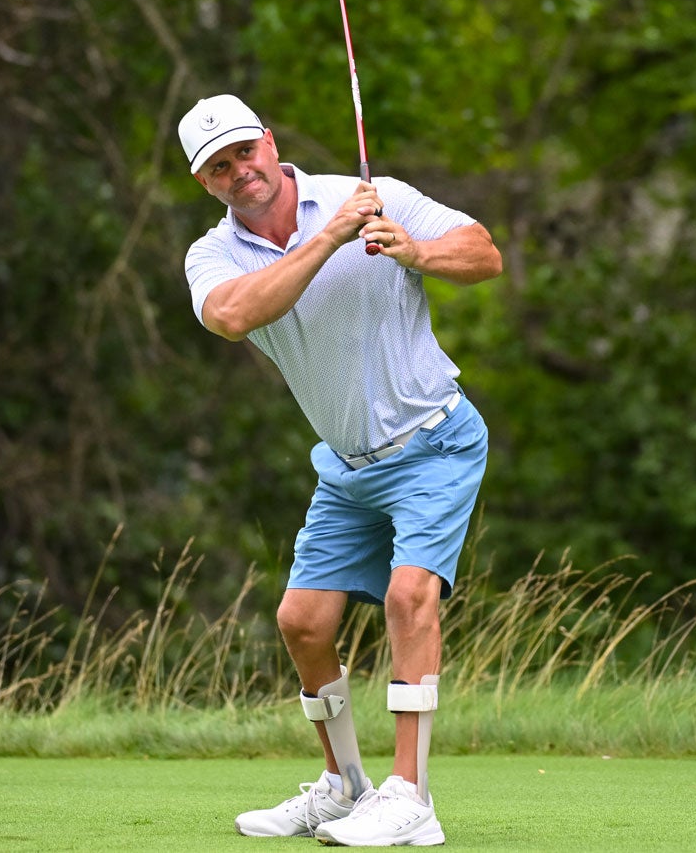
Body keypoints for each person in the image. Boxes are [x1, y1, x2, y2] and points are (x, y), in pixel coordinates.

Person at [178, 94, 503, 847]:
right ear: (205, 182)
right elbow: (233, 315)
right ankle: (343, 786)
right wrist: (329, 239)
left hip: (435, 441)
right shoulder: (212, 254)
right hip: (347, 468)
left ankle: (411, 796)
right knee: (302, 621)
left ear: (269, 141)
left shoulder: (375, 195)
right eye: (218, 168)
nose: (239, 173)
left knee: (408, 596)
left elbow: (484, 252)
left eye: (243, 153)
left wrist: (415, 251)